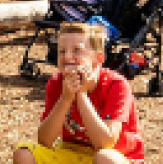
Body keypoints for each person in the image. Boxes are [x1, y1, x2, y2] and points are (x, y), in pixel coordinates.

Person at [13, 22, 145, 164]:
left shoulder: (116, 85)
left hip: (118, 155)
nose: (67, 56)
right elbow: (45, 140)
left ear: (99, 58)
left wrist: (81, 94)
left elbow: (105, 143)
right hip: (71, 151)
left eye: (76, 50)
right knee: (24, 153)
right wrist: (65, 99)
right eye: (62, 51)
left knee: (105, 158)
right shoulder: (57, 82)